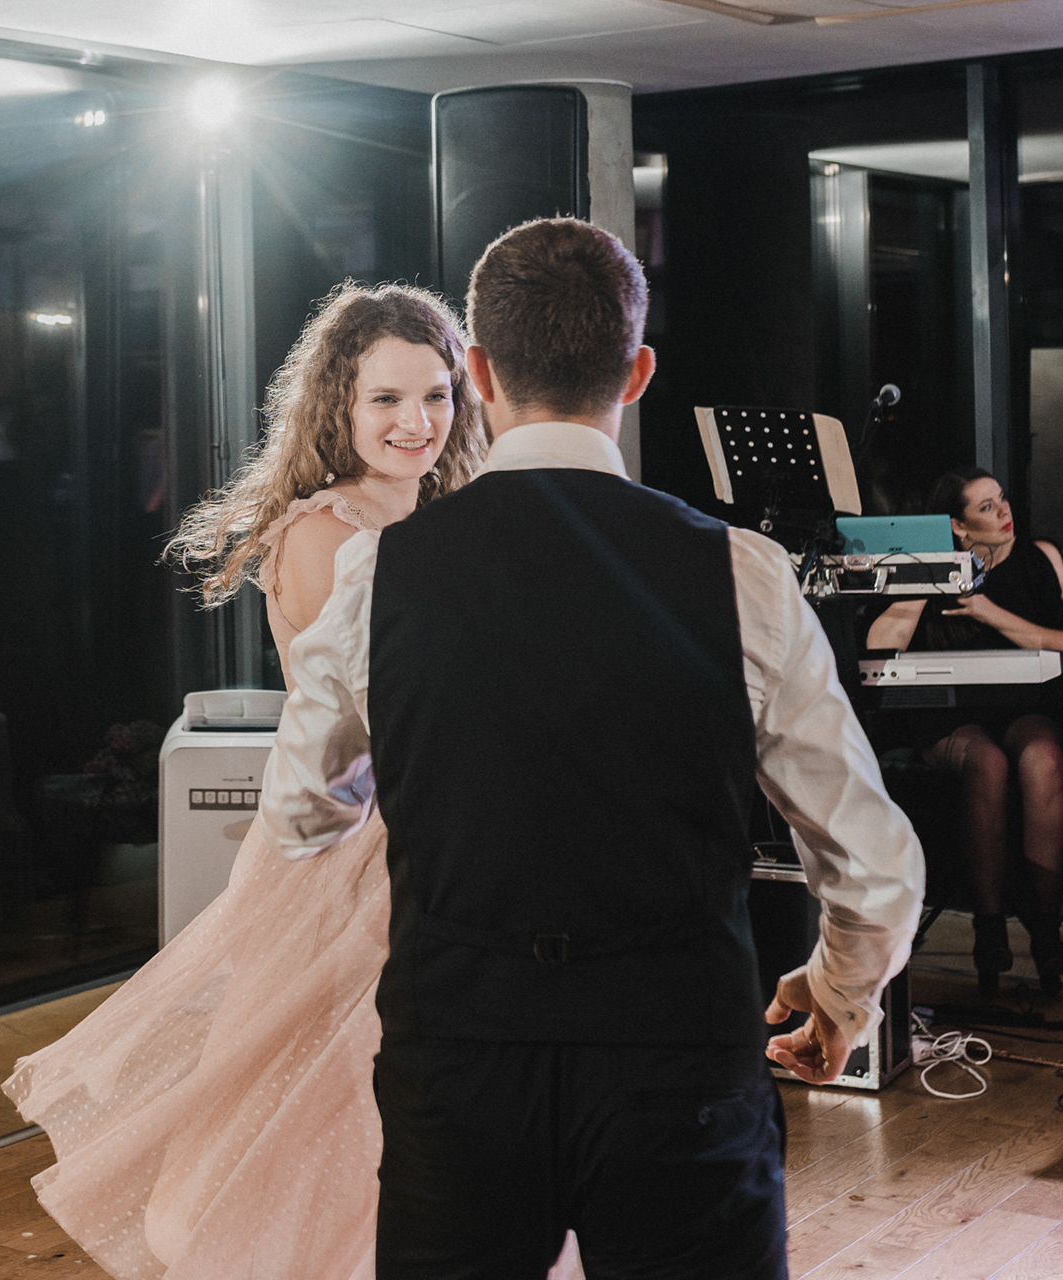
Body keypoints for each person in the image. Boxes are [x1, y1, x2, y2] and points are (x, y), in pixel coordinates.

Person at [262, 218, 924, 1280]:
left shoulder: (382, 573)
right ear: (638, 372)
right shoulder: (742, 572)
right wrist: (841, 991)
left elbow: (303, 811)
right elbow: (876, 863)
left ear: (478, 374)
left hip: (461, 1057)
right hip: (681, 1055)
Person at [2, 281, 583, 1280]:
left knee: (443, 1087)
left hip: (446, 825)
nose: (416, 422)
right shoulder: (324, 531)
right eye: (386, 399)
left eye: (436, 395)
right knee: (342, 1085)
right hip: (356, 839)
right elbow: (383, 714)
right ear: (338, 406)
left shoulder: (455, 512)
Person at [866, 467, 1063, 997]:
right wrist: (929, 575)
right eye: (986, 507)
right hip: (949, 719)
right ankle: (989, 929)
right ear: (959, 526)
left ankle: (1045, 927)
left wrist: (990, 613)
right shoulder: (934, 561)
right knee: (987, 763)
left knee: (1042, 756)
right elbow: (877, 647)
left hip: (1021, 710)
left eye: (1002, 499)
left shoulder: (1039, 558)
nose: (1004, 511)